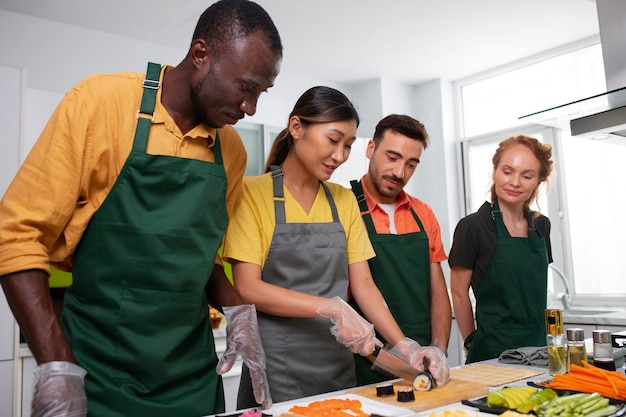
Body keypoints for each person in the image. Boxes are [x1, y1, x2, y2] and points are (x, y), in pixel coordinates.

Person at [0, 1, 282, 416]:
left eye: (261, 93)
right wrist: (57, 367)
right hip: (97, 373)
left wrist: (238, 310)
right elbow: (17, 236)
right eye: (246, 87)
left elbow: (197, 257)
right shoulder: (100, 103)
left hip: (192, 378)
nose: (252, 108)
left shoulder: (231, 151)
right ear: (200, 54)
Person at [223, 86, 449, 408]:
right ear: (297, 127)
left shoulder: (342, 200)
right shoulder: (251, 194)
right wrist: (331, 307)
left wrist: (405, 346)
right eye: (333, 140)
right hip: (276, 367)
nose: (340, 156)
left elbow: (365, 285)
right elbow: (247, 287)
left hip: (338, 368)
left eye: (348, 146)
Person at [349, 114, 452, 385]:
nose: (399, 172)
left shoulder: (423, 213)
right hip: (364, 362)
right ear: (370, 148)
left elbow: (438, 292)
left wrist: (438, 351)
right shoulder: (344, 208)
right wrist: (397, 353)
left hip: (422, 362)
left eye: (411, 164)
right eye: (392, 157)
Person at [449, 135, 554, 364]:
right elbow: (458, 292)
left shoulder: (541, 225)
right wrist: (470, 341)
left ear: (538, 181)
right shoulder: (473, 227)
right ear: (495, 171)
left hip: (538, 352)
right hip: (492, 353)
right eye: (507, 172)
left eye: (527, 176)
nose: (515, 182)